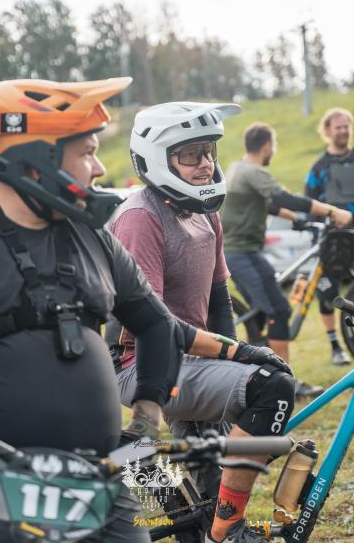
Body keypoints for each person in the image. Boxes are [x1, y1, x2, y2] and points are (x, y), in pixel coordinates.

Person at [0, 77, 190, 543]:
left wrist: (146, 419)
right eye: (87, 153)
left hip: (98, 476)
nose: (99, 168)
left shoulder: (95, 238)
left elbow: (157, 324)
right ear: (35, 160)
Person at [106, 102, 296, 543]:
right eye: (190, 154)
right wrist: (240, 354)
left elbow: (219, 302)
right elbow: (153, 326)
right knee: (272, 386)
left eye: (208, 151)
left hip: (191, 359)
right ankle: (229, 529)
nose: (206, 164)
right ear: (157, 158)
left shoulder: (205, 211)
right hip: (142, 365)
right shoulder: (141, 218)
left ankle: (156, 478)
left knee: (201, 511)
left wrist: (231, 360)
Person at [221, 122, 352, 397]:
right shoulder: (254, 171)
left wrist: (298, 221)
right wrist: (332, 211)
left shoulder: (237, 168)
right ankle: (285, 384)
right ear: (267, 145)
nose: (274, 150)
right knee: (279, 311)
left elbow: (269, 205)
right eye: (274, 145)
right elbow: (283, 198)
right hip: (243, 252)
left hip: (237, 252)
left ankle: (261, 378)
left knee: (260, 316)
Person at [305, 108, 354, 365]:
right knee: (327, 292)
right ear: (327, 130)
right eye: (338, 127)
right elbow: (309, 203)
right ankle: (335, 346)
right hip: (331, 241)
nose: (344, 131)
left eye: (346, 126)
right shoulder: (319, 168)